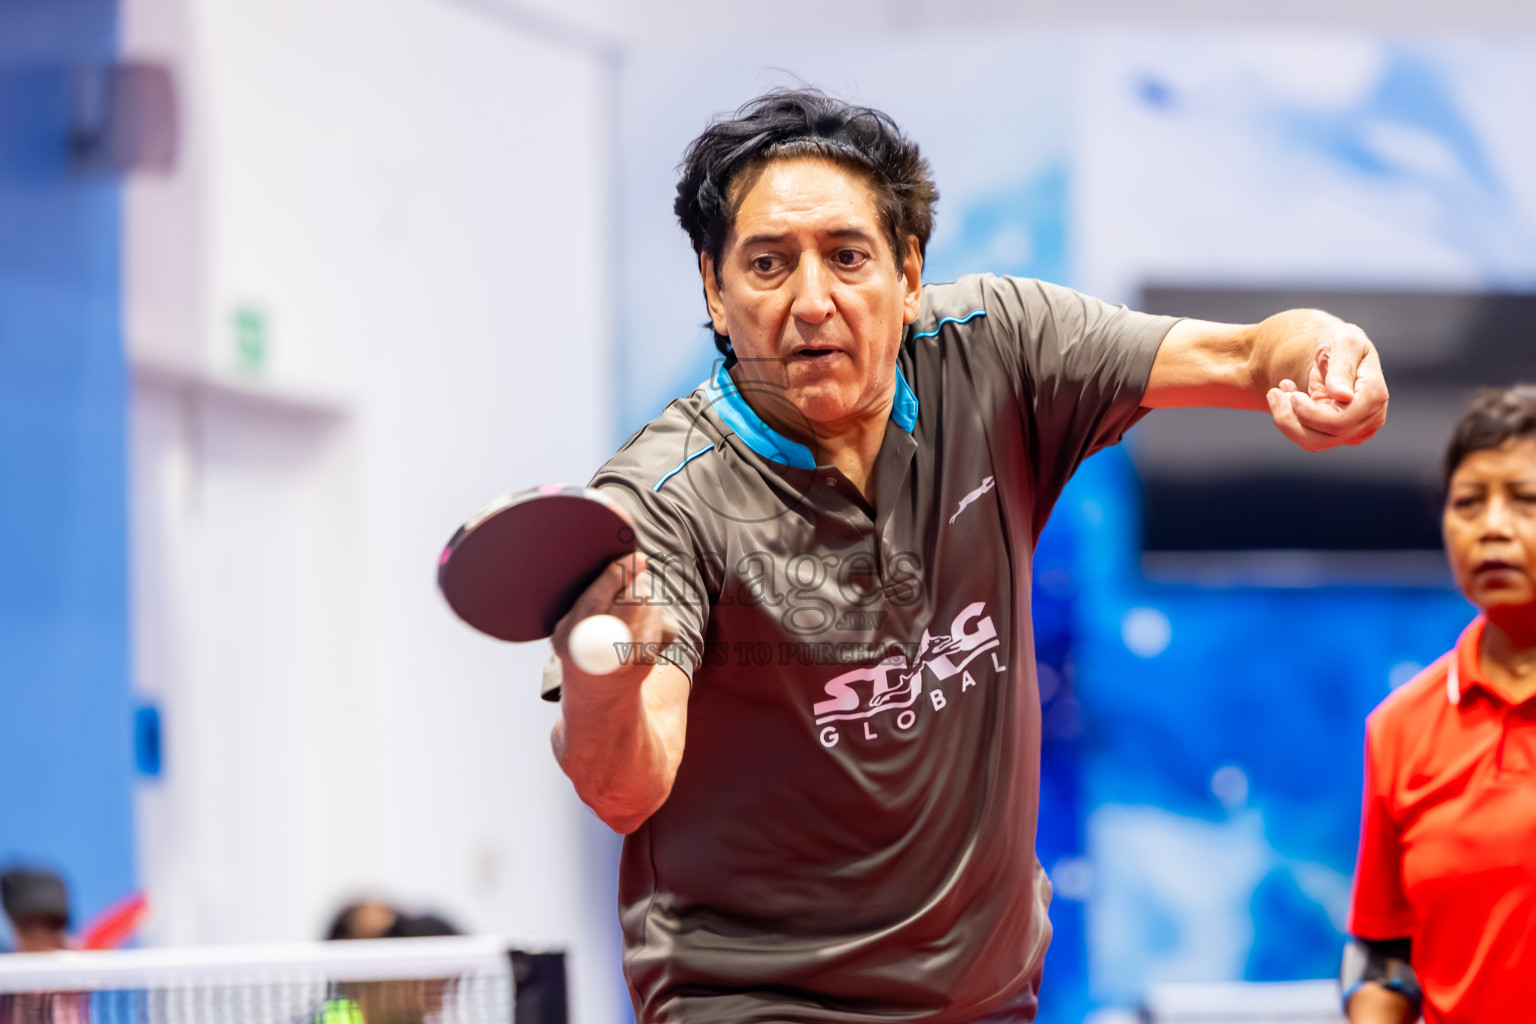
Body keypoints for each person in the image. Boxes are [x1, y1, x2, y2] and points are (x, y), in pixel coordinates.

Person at [547, 89, 1389, 1022]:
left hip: (982, 997)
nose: (812, 300)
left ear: (909, 274)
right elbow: (626, 788)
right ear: (714, 288)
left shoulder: (997, 351)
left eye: (848, 255)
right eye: (767, 264)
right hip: (755, 998)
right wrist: (604, 676)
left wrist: (1322, 349)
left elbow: (1242, 355)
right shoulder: (660, 501)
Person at [1343, 385, 1536, 1024]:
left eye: (1526, 500)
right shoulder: (1398, 726)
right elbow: (1382, 953)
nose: (1493, 527)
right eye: (1468, 504)